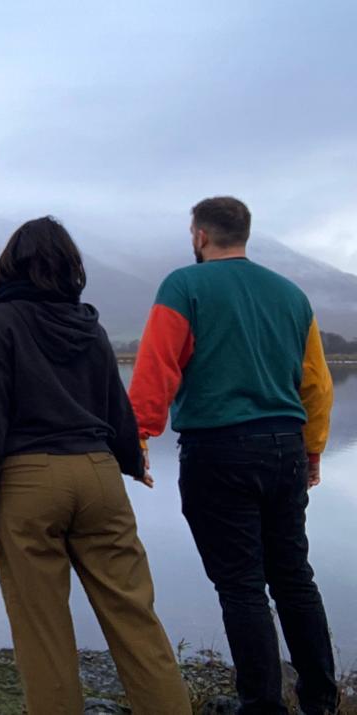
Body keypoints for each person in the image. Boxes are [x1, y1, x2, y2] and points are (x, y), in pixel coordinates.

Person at [0, 216, 191, 714]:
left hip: (28, 484)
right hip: (99, 476)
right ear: (71, 267)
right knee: (136, 620)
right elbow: (115, 403)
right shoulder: (89, 324)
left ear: (10, 265)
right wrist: (132, 463)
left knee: (42, 633)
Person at [128, 196, 338, 714]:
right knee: (294, 577)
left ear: (200, 236)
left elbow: (157, 367)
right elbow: (316, 383)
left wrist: (138, 436)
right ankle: (321, 702)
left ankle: (262, 706)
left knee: (241, 586)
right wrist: (313, 449)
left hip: (218, 451)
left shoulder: (183, 286)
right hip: (285, 446)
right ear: (244, 233)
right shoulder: (291, 295)